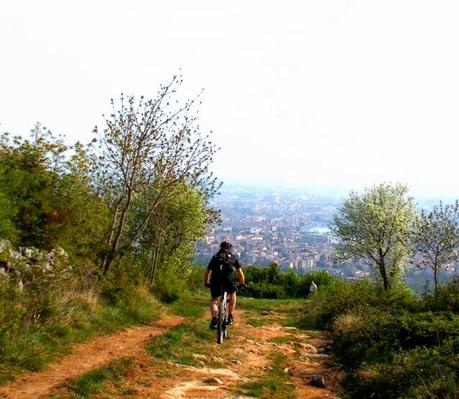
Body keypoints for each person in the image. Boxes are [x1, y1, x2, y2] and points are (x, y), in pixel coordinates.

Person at [205, 241, 246, 329]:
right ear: (230, 249)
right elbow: (240, 273)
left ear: (220, 248)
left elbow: (208, 271)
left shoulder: (215, 257)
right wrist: (242, 283)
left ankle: (215, 319)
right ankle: (230, 316)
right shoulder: (232, 257)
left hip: (216, 280)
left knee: (214, 299)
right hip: (229, 280)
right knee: (233, 293)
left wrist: (206, 282)